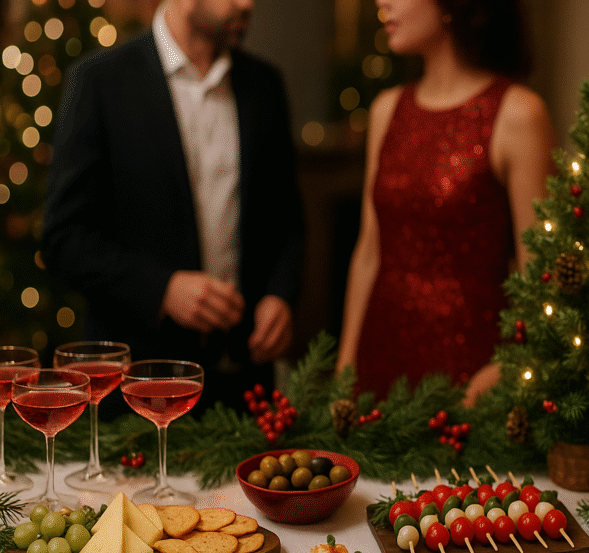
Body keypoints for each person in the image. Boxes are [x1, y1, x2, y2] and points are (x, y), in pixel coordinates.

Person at [42, 0, 304, 413]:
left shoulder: (265, 84)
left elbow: (287, 220)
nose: (248, 4)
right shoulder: (98, 81)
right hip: (137, 391)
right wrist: (162, 290)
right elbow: (64, 238)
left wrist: (280, 295)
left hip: (245, 389)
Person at [335, 0, 555, 404]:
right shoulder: (388, 109)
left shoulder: (517, 113)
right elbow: (369, 251)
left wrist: (506, 368)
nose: (383, 3)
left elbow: (540, 277)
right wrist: (344, 371)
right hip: (380, 364)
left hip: (471, 374)